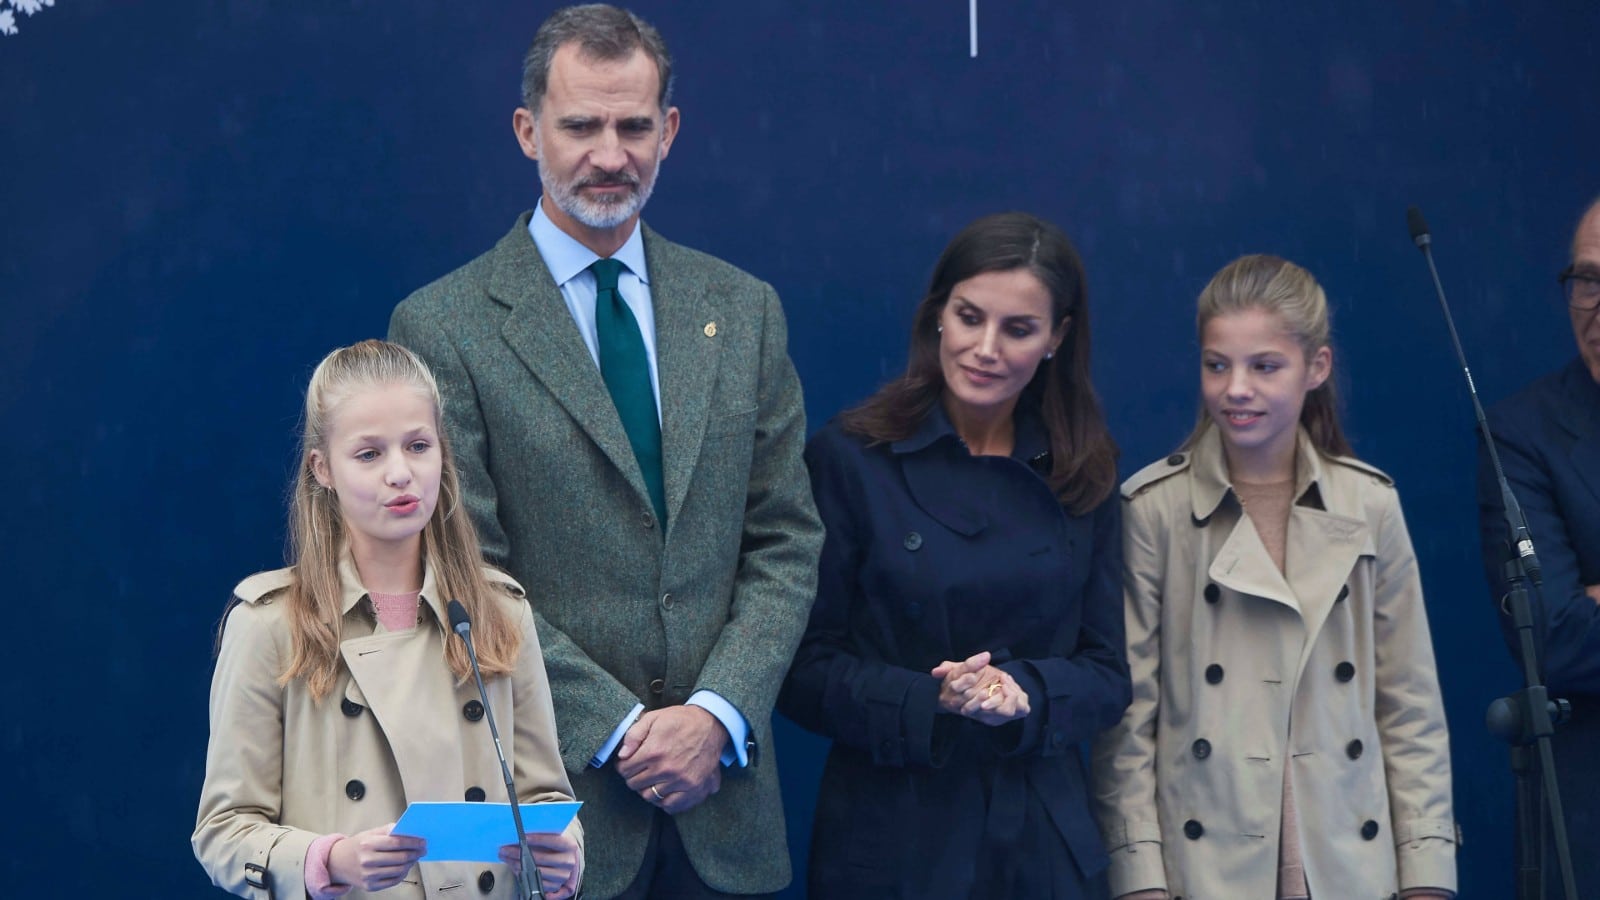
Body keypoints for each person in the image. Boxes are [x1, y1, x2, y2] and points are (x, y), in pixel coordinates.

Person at [387, 6, 823, 898]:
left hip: (725, 813)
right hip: (554, 821)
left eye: (633, 126)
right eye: (580, 125)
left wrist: (716, 713)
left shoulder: (744, 311)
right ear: (527, 131)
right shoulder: (442, 327)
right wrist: (621, 728)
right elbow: (462, 571)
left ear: (669, 130)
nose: (610, 155)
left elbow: (785, 538)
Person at [777, 212, 1130, 899]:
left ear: (1057, 338)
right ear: (937, 314)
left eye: (1019, 329)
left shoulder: (1084, 470)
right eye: (969, 317)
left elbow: (1108, 674)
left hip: (1040, 844)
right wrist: (928, 698)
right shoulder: (850, 459)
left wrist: (1024, 690)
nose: (986, 348)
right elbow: (799, 669)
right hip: (890, 840)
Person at [1091, 255, 1458, 899]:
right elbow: (1128, 719)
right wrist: (1138, 876)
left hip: (1347, 862)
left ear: (1315, 368)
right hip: (1205, 868)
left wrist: (1427, 874)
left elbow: (1410, 708)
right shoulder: (1153, 509)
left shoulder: (1369, 504)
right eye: (1216, 364)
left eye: (1264, 366)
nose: (1236, 388)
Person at [193, 340, 583, 899]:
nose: (400, 473)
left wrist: (564, 858)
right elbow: (223, 831)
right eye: (369, 454)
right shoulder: (269, 625)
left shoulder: (499, 612)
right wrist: (329, 860)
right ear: (322, 468)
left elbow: (547, 800)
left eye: (418, 445)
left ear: (443, 454)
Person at [1477, 195, 1600, 893]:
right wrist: (1578, 610)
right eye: (1587, 281)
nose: (1599, 305)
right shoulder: (1521, 435)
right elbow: (1553, 637)